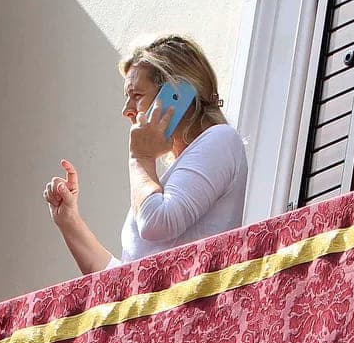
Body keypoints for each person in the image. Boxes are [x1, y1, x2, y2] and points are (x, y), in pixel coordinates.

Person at [44, 35, 248, 273]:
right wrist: (68, 220)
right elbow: (123, 281)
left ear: (177, 95)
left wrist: (140, 157)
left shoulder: (221, 140)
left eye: (137, 96)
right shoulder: (163, 182)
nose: (126, 111)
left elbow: (157, 223)